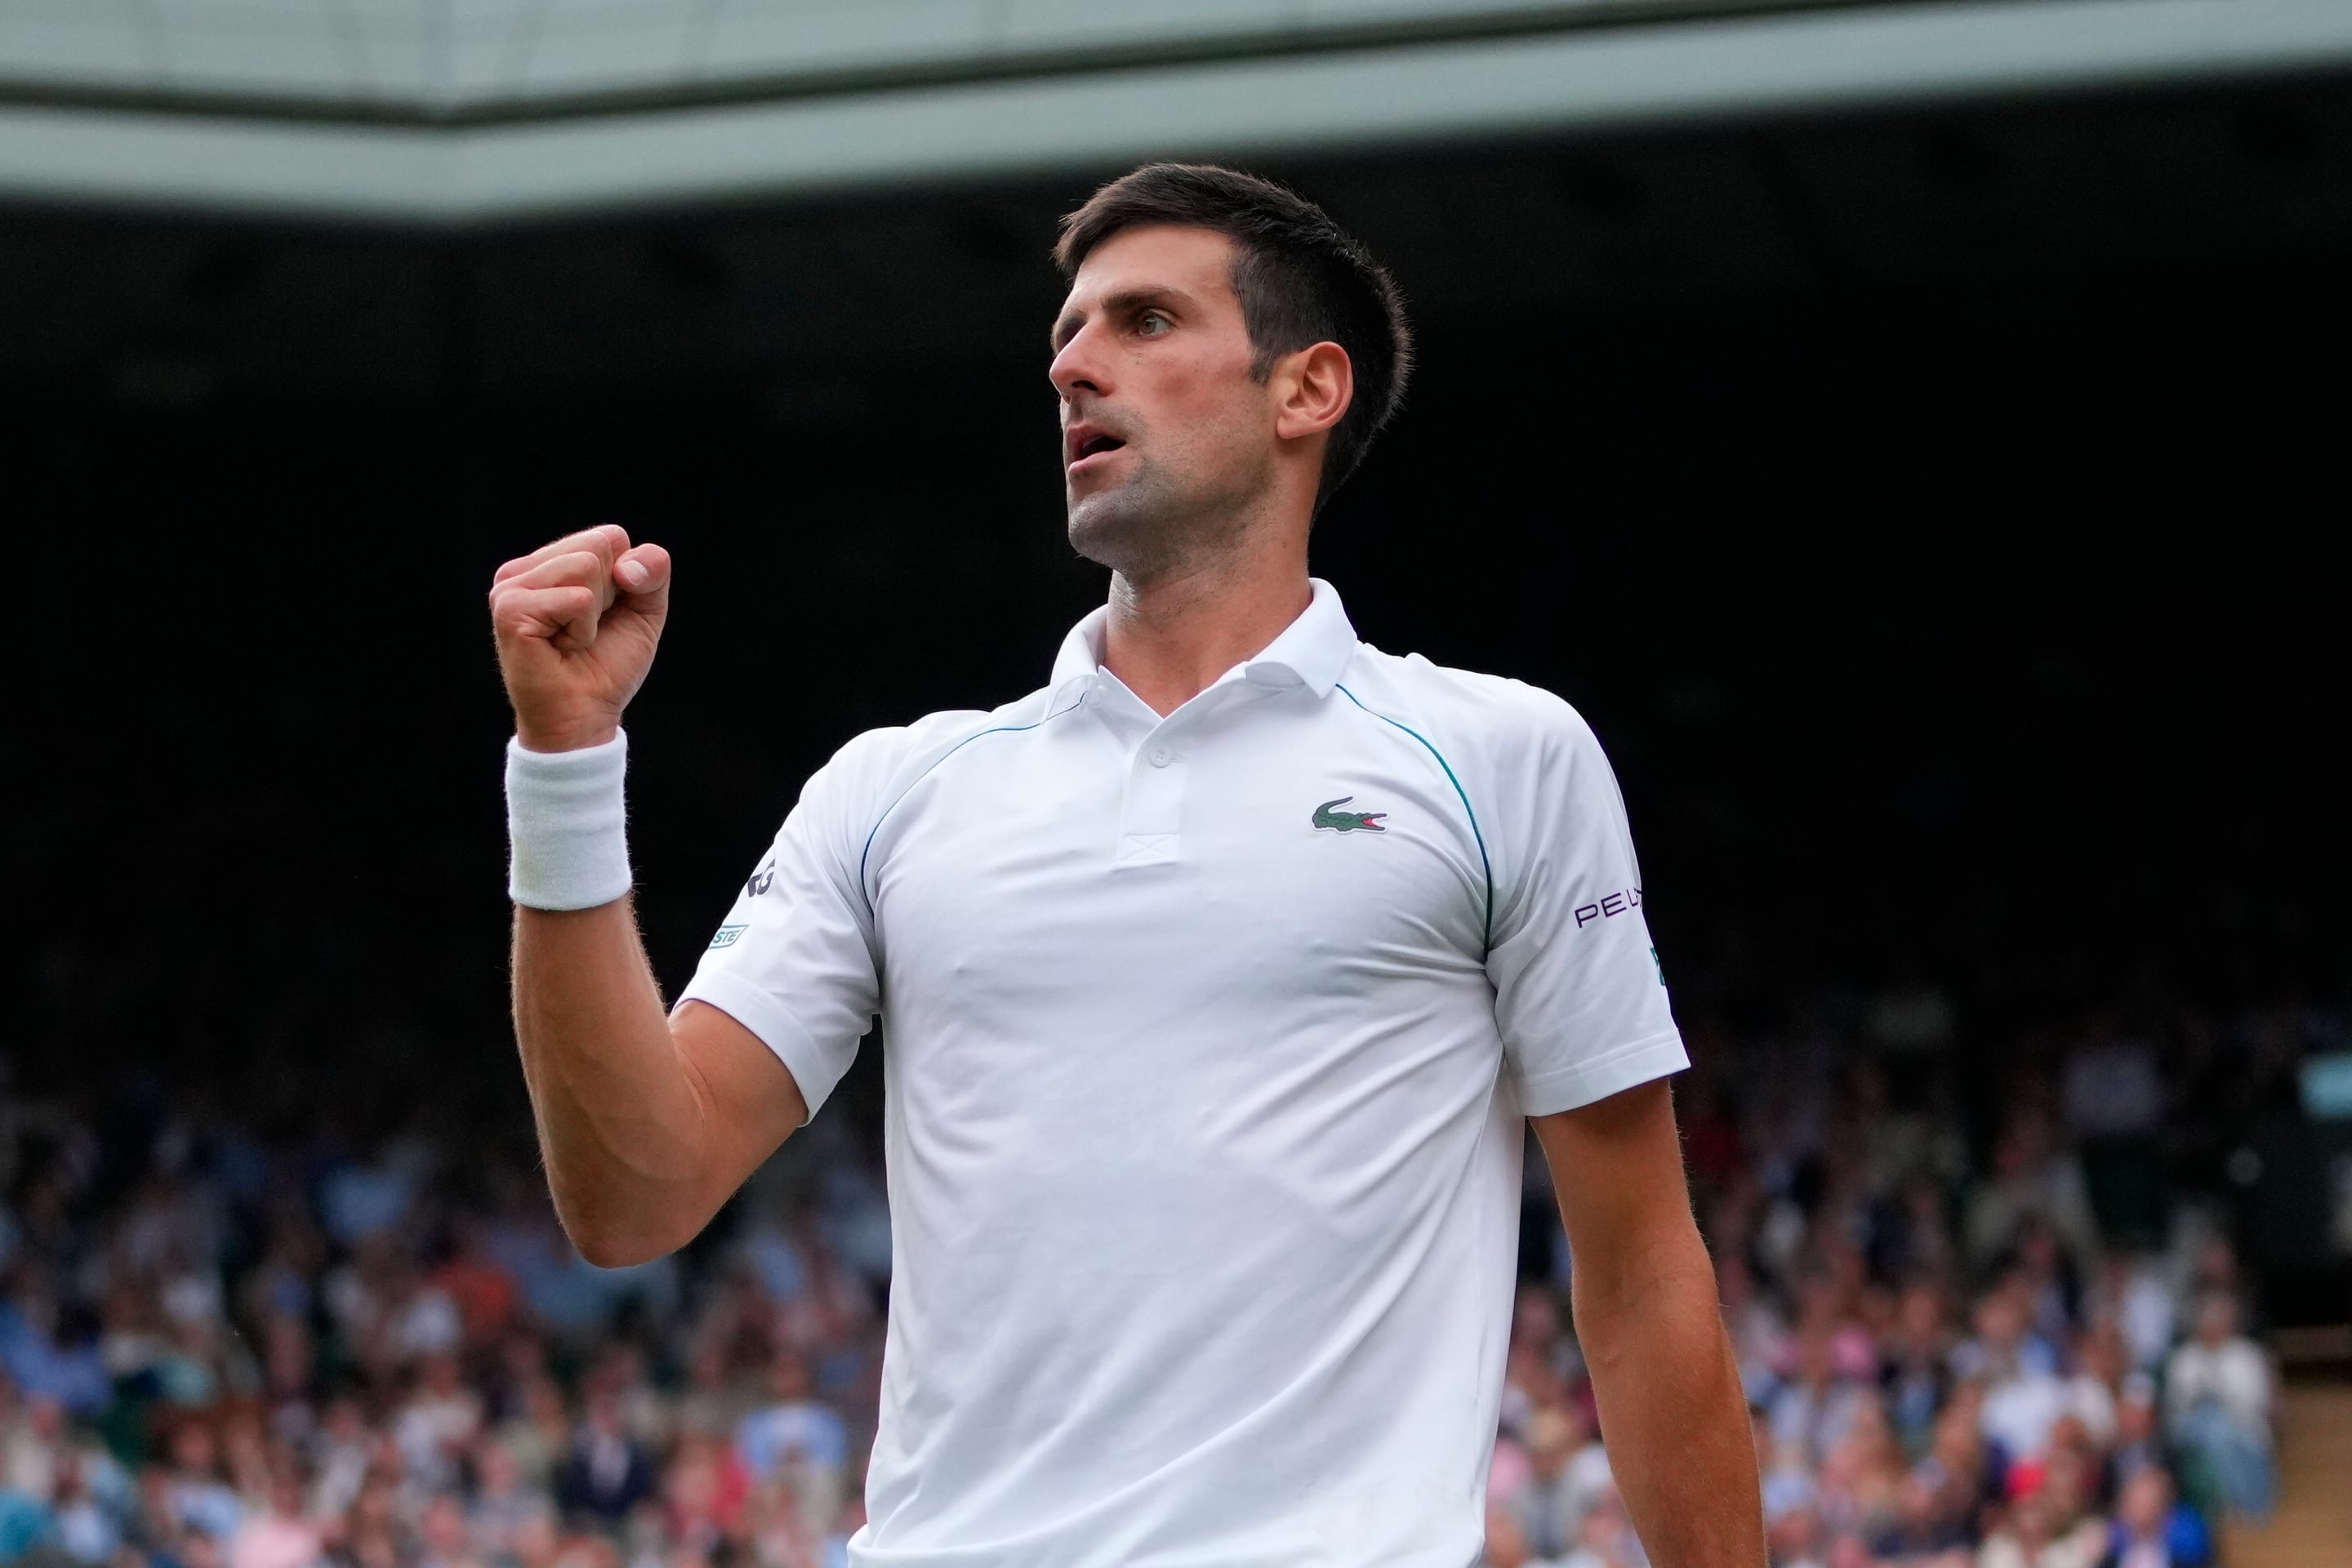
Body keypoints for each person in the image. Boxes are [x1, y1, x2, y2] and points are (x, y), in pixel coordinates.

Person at [488, 162, 1762, 1566]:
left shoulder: (1505, 754)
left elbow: (1642, 1280)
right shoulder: (897, 787)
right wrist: (565, 768)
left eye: (1144, 322)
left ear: (1307, 390)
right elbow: (629, 1196)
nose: (1074, 368)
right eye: (1065, 338)